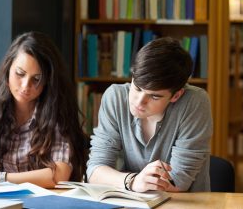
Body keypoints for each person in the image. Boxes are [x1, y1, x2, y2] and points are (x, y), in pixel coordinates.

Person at [87, 37, 213, 192]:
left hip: (183, 204)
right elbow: (95, 171)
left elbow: (178, 182)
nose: (139, 102)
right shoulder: (115, 97)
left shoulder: (195, 102)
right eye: (138, 88)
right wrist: (132, 181)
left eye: (154, 96)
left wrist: (121, 180)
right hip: (132, 202)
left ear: (176, 96)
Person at [0, 31, 87, 188]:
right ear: (8, 71)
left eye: (36, 79)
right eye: (20, 74)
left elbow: (59, 174)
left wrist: (1, 178)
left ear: (48, 80)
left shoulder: (56, 109)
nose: (26, 86)